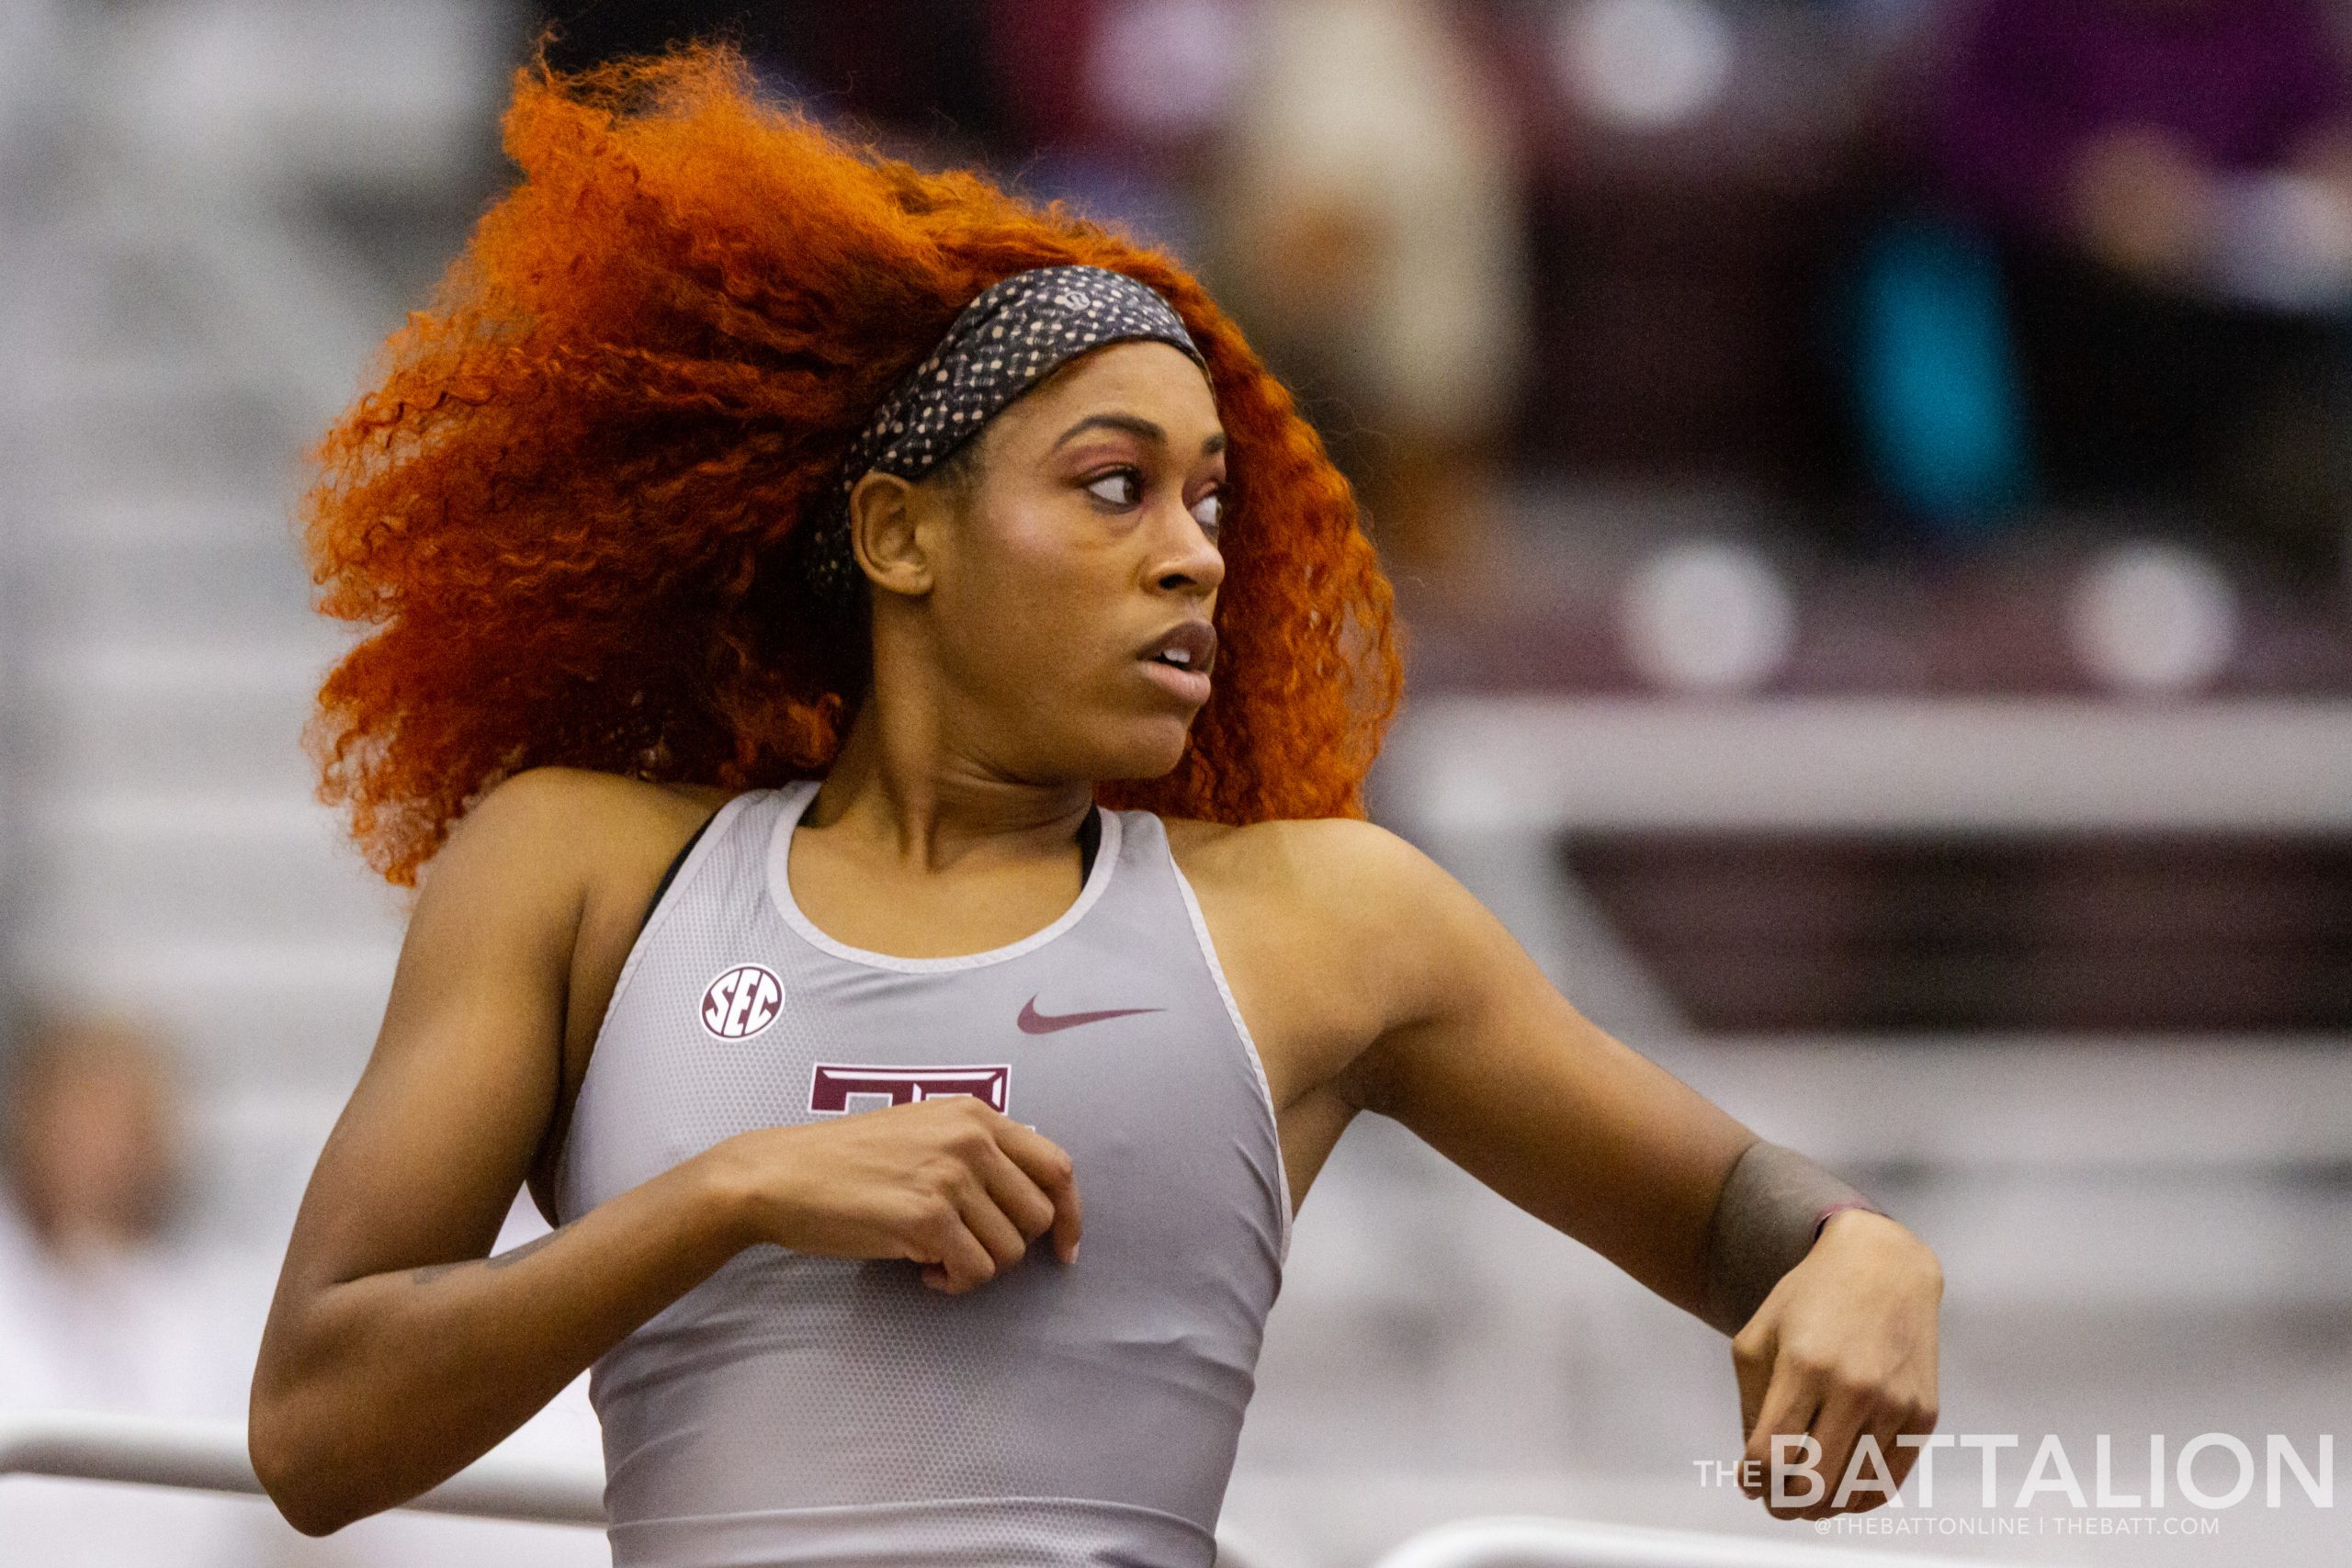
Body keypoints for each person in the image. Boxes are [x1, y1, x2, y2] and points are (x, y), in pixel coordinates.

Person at [250, 46, 1942, 1566]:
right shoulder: (579, 870)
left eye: (1211, 500)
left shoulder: (1329, 919)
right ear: (902, 537)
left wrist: (1861, 1251)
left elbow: (1744, 1218)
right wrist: (730, 1194)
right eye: (1115, 487)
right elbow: (319, 1433)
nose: (1198, 550)